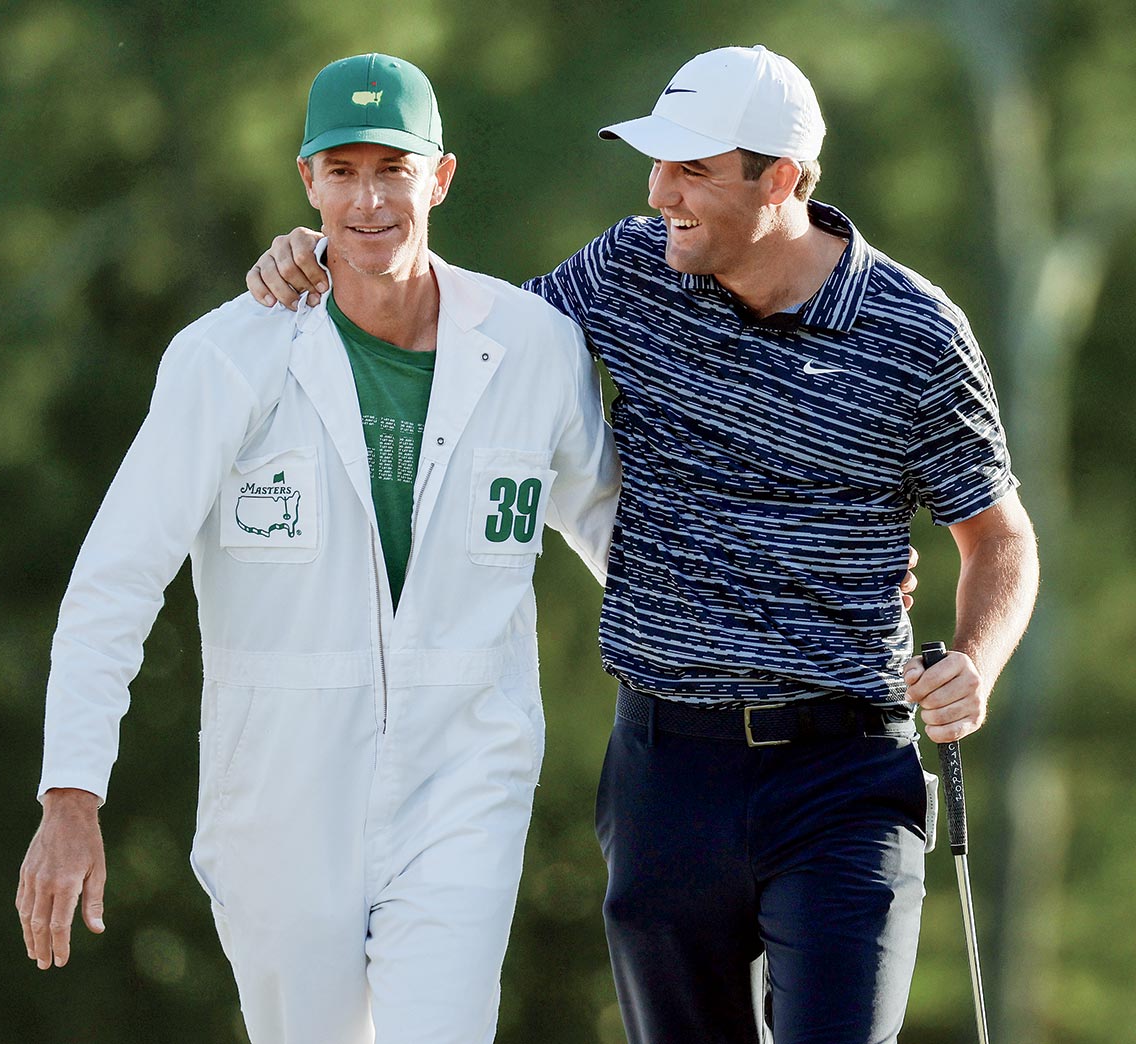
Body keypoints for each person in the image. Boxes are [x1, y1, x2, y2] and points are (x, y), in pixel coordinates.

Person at [245, 44, 1039, 1044]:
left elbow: (998, 538)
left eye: (695, 171)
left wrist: (975, 660)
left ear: (782, 180)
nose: (663, 193)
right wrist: (331, 256)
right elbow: (458, 336)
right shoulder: (630, 270)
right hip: (668, 775)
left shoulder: (914, 333)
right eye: (659, 164)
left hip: (842, 780)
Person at [16, 53, 621, 1044]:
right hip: (280, 802)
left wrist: (804, 594)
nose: (370, 197)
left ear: (442, 177)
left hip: (465, 776)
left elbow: (619, 537)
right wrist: (72, 795)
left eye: (395, 167)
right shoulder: (227, 359)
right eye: (343, 171)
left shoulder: (534, 347)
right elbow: (118, 578)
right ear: (308, 181)